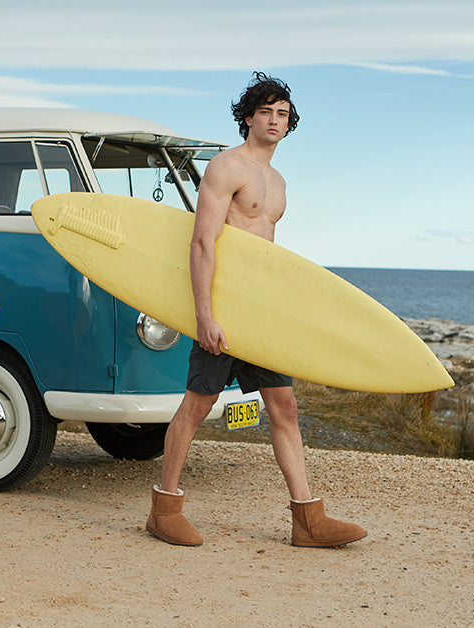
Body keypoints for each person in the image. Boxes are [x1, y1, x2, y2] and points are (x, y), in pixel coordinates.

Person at [145, 72, 366, 548]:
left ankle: (307, 520)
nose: (274, 119)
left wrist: (283, 310)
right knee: (198, 404)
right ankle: (164, 508)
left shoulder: (279, 183)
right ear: (247, 117)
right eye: (265, 111)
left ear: (289, 125)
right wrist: (204, 314)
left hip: (260, 312)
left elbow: (266, 255)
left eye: (282, 114)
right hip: (223, 307)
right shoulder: (227, 167)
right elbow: (203, 242)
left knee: (284, 406)